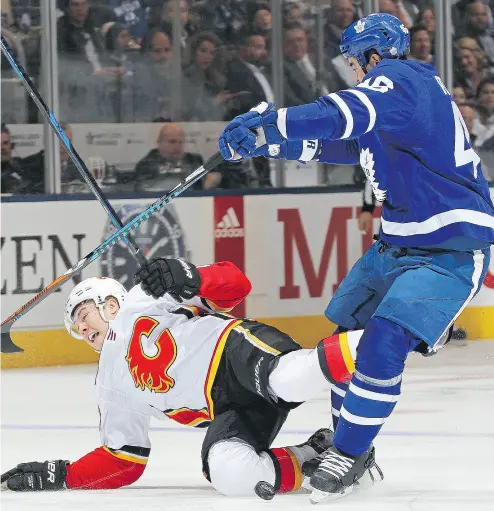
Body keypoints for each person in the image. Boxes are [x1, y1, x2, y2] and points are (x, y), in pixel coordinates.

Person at [217, 12, 494, 503]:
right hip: (397, 246)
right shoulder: (395, 103)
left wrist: (271, 120)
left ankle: (349, 450)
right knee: (344, 341)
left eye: (354, 61)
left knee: (382, 342)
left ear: (373, 54)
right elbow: (345, 145)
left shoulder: (402, 79)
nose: (354, 70)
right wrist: (267, 141)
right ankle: (353, 448)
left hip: (447, 249)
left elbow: (341, 113)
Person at [1, 258, 384, 497]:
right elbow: (122, 460)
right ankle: (318, 451)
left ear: (110, 303)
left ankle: (395, 335)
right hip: (228, 408)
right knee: (230, 475)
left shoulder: (141, 297)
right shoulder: (110, 387)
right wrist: (64, 475)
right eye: (77, 332)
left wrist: (190, 276)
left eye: (84, 318)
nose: (84, 332)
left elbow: (237, 284)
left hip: (234, 354)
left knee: (286, 379)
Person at [134, 122, 221, 191]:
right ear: (159, 142)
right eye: (172, 142)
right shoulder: (146, 165)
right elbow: (147, 189)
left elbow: (211, 179)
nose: (177, 146)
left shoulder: (194, 160)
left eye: (180, 142)